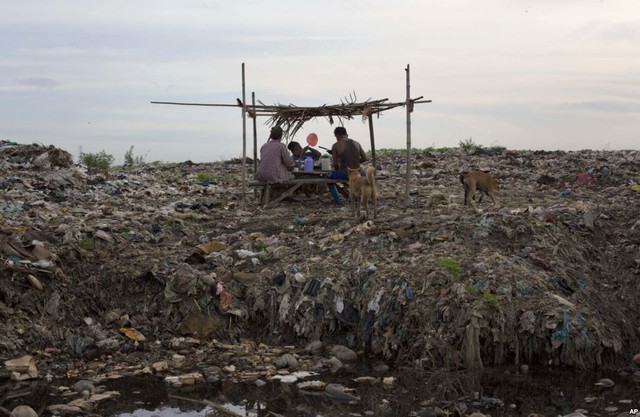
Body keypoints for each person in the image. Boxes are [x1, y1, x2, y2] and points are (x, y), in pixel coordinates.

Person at [327, 126, 367, 205]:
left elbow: (335, 164)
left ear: (337, 136)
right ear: (346, 134)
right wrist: (355, 161)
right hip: (359, 174)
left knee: (328, 177)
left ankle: (337, 200)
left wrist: (337, 170)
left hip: (346, 174)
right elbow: (365, 158)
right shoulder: (357, 143)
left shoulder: (336, 145)